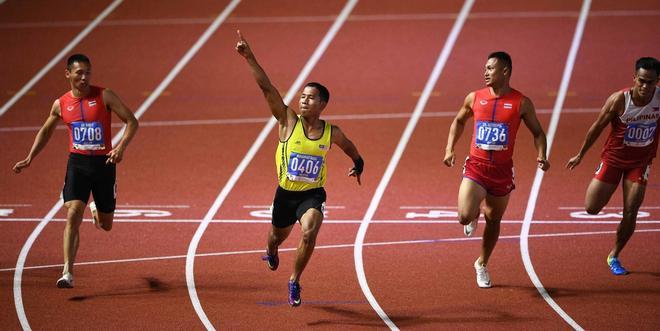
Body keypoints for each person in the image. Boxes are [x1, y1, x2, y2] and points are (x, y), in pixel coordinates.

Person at [235, 30, 363, 307]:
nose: (303, 100)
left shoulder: (331, 132)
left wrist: (358, 163)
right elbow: (267, 88)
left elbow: (350, 147)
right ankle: (270, 249)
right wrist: (249, 57)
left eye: (310, 97)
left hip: (312, 194)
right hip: (285, 194)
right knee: (276, 237)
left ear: (323, 104)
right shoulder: (287, 120)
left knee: (309, 232)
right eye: (302, 96)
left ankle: (294, 280)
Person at [13, 54, 139, 288]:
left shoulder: (105, 96)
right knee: (72, 214)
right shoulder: (60, 104)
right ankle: (67, 272)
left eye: (88, 72)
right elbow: (46, 130)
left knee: (107, 225)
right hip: (77, 165)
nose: (84, 77)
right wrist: (30, 157)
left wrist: (121, 148)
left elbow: (132, 121)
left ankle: (96, 209)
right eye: (79, 73)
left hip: (104, 165)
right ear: (68, 74)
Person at [444, 51, 550, 288]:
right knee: (463, 216)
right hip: (476, 167)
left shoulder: (521, 102)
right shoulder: (474, 97)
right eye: (485, 68)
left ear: (505, 71)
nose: (485, 72)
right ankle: (473, 215)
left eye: (491, 68)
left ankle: (481, 264)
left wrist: (541, 154)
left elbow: (538, 133)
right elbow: (459, 120)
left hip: (501, 172)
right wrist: (450, 148)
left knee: (494, 219)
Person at [566, 57, 659, 276]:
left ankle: (614, 255)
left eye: (651, 82)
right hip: (614, 160)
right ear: (634, 78)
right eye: (642, 81)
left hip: (640, 163)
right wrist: (581, 154)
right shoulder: (619, 100)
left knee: (631, 211)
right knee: (592, 207)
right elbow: (597, 126)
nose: (645, 86)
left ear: (658, 81)